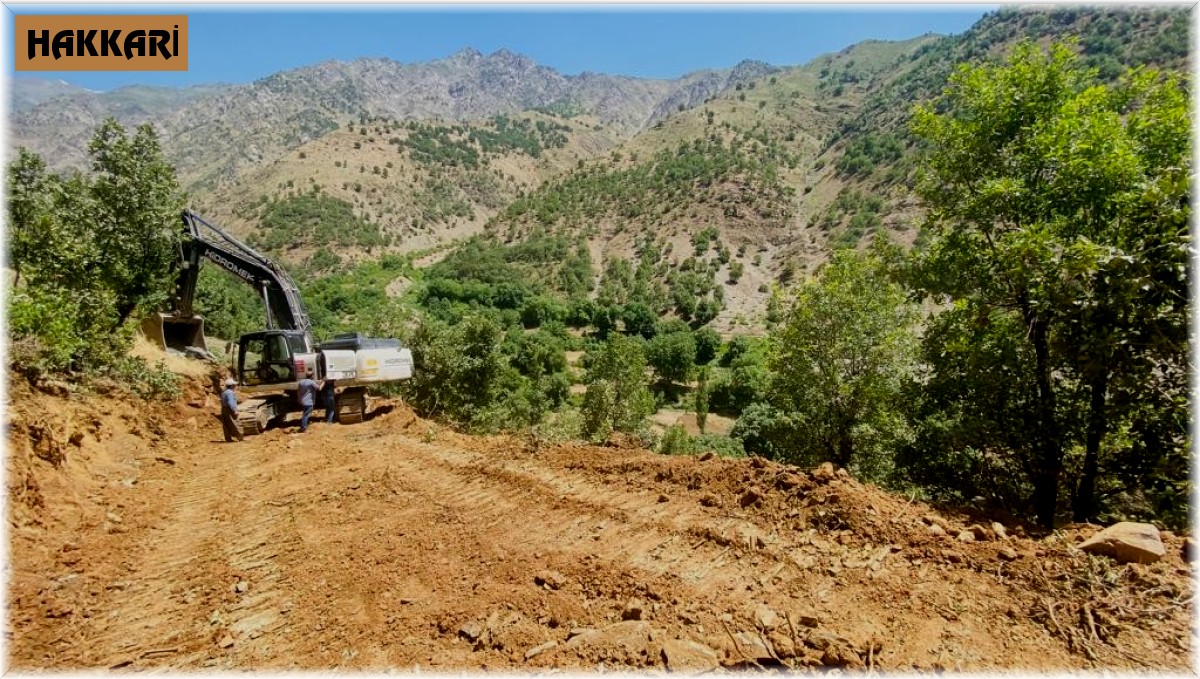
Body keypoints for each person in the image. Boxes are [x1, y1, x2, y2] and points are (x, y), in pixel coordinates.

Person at [296, 368, 321, 433]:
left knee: (305, 414)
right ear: (312, 376)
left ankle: (304, 426)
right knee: (306, 415)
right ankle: (303, 428)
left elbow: (298, 392)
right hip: (309, 402)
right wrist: (323, 381)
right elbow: (319, 388)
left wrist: (299, 399)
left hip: (303, 401)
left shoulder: (301, 382)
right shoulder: (311, 382)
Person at [220, 378, 244, 443]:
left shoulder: (224, 392)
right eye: (234, 385)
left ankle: (228, 439)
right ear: (231, 385)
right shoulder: (230, 393)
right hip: (229, 409)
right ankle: (240, 437)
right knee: (235, 423)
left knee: (226, 424)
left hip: (223, 409)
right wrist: (235, 410)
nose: (235, 386)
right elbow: (231, 402)